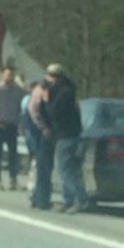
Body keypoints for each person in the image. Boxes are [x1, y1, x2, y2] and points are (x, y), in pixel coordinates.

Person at [43, 63, 89, 214]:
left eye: (50, 76)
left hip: (67, 135)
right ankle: (68, 200)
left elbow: (54, 112)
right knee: (69, 168)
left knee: (65, 170)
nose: (48, 79)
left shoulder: (63, 93)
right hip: (71, 134)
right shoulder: (67, 91)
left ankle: (80, 199)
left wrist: (46, 100)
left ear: (56, 78)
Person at [28, 80, 54, 209]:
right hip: (42, 133)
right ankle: (41, 199)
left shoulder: (43, 94)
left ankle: (37, 197)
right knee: (43, 167)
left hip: (42, 132)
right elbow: (34, 111)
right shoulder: (43, 95)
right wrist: (44, 127)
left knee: (41, 167)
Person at [20, 82, 40, 193]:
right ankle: (32, 182)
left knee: (34, 157)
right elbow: (24, 113)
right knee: (35, 156)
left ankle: (32, 181)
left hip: (31, 130)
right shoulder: (28, 100)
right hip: (31, 130)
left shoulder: (30, 99)